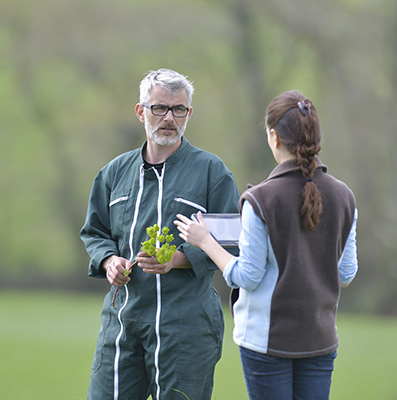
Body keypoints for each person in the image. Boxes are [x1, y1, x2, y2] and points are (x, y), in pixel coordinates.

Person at [175, 90, 358, 400]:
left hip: (266, 341)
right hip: (320, 338)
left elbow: (247, 276)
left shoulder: (260, 200)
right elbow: (347, 272)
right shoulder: (345, 196)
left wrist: (205, 242)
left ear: (274, 137)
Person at [79, 68, 239, 400]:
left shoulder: (213, 172)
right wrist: (109, 260)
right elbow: (94, 232)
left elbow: (231, 241)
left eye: (178, 109)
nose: (169, 117)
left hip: (186, 326)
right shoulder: (114, 173)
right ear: (141, 112)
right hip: (122, 323)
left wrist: (179, 259)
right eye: (159, 108)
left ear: (188, 114)